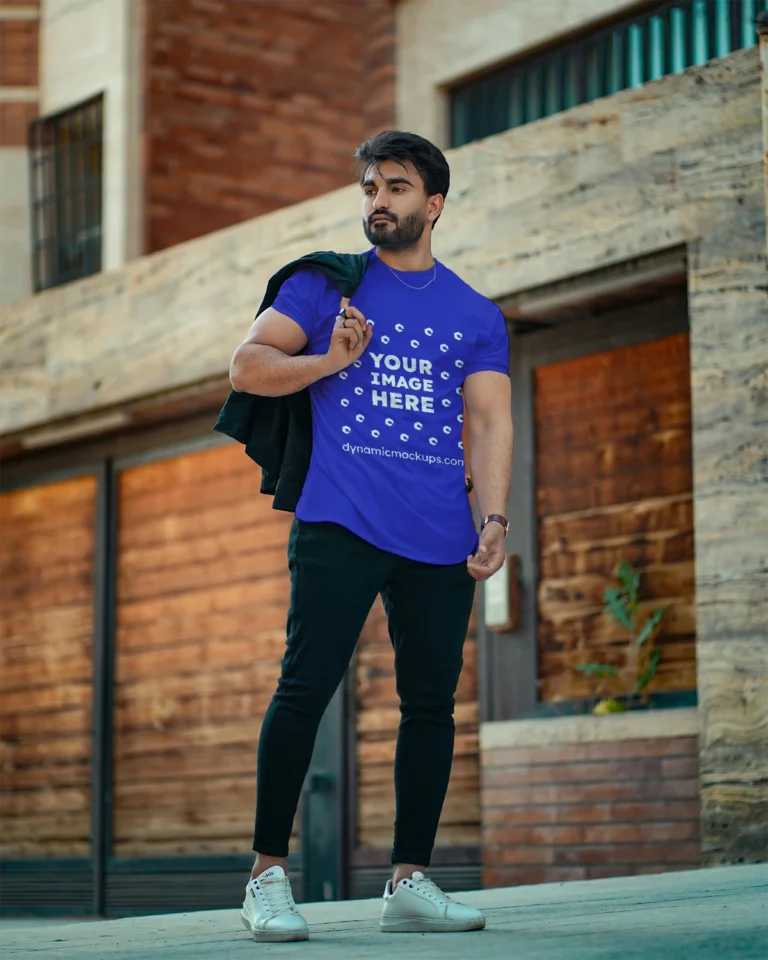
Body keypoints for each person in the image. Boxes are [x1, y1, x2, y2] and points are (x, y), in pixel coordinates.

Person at [230, 131, 513, 943]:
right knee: (305, 689)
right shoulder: (327, 285)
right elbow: (247, 366)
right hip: (341, 517)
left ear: (434, 204)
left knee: (430, 706)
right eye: (368, 187)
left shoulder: (474, 314)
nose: (376, 201)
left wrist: (493, 518)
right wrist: (327, 360)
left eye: (395, 186)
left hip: (436, 531)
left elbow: (490, 419)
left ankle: (409, 882)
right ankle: (266, 878)